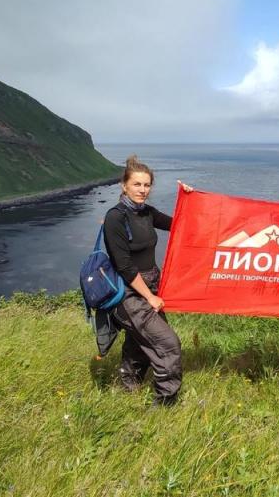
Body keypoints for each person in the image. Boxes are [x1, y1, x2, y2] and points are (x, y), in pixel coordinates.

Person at [100, 155, 190, 406]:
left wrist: (190, 199)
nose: (142, 190)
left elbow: (179, 225)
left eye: (147, 185)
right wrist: (149, 297)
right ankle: (165, 402)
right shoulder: (115, 218)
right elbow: (124, 266)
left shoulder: (147, 213)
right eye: (137, 184)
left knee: (139, 339)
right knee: (167, 344)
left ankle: (128, 387)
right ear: (124, 185)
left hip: (151, 284)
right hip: (128, 291)